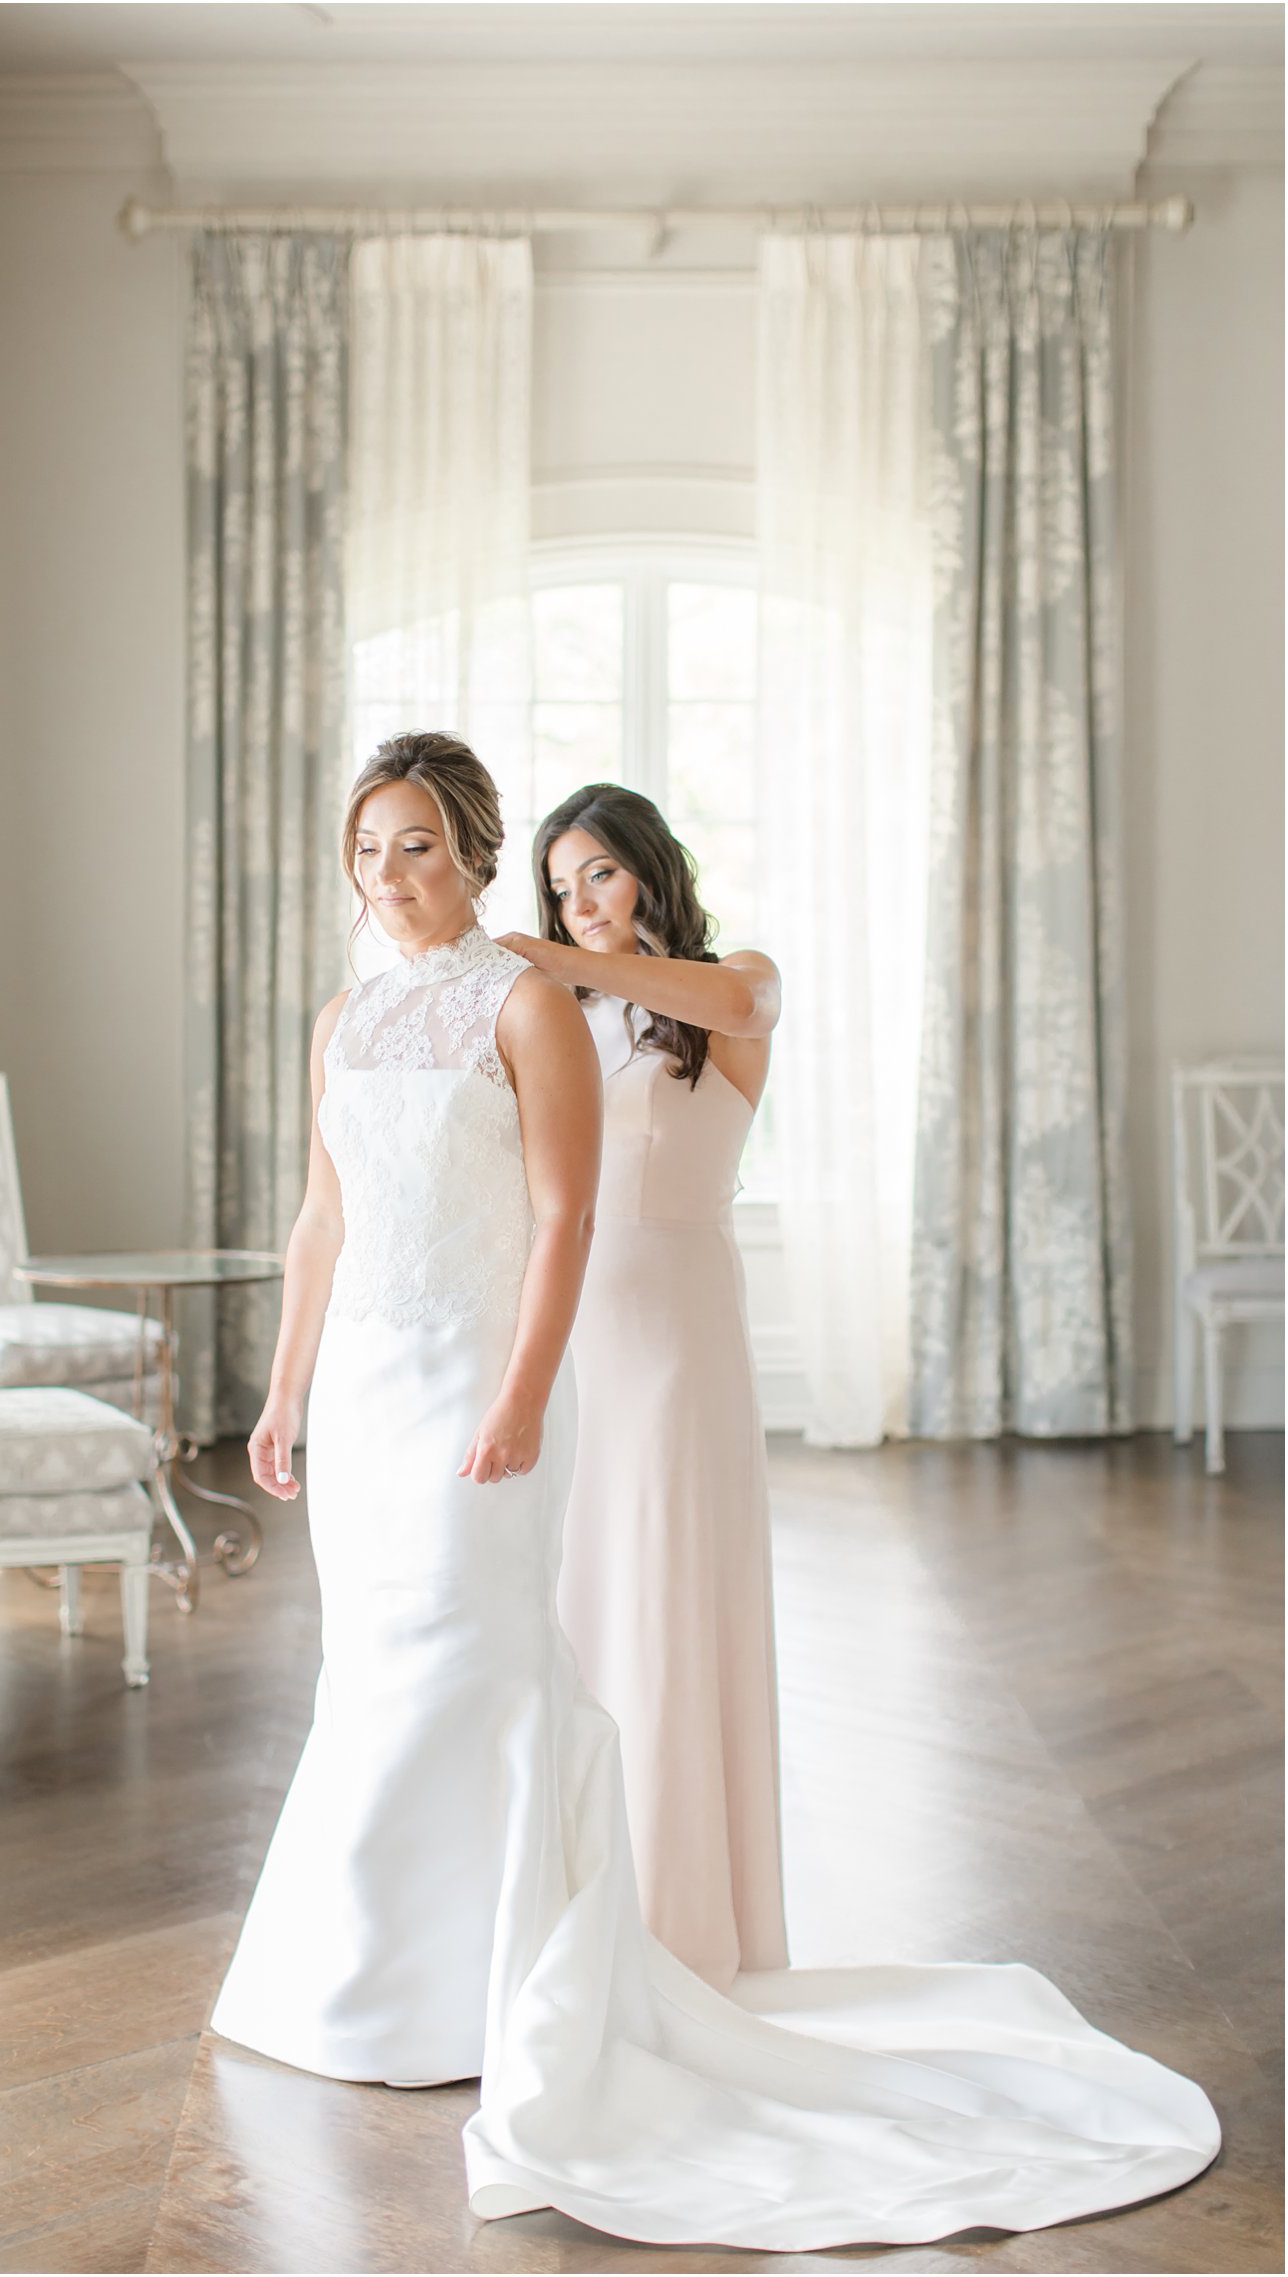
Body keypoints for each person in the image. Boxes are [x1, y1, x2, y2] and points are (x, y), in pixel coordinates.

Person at [210, 731, 1218, 2251]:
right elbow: (322, 1214)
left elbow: (569, 1196)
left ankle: (571, 1956)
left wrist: (521, 1382)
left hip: (577, 1347)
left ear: (485, 858)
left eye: (421, 843)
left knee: (528, 1652)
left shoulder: (613, 994)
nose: (390, 874)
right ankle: (371, 1973)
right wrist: (284, 1386)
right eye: (369, 848)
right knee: (400, 1670)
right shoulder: (355, 1018)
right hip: (375, 1376)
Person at [495, 781, 786, 1990]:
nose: (579, 904)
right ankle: (578, 1900)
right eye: (559, 888)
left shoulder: (729, 993)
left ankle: (679, 1923)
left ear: (648, 869)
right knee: (577, 1602)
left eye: (597, 875)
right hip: (568, 1336)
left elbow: (732, 995)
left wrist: (558, 959)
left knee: (666, 1600)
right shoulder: (561, 1020)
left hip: (674, 1345)